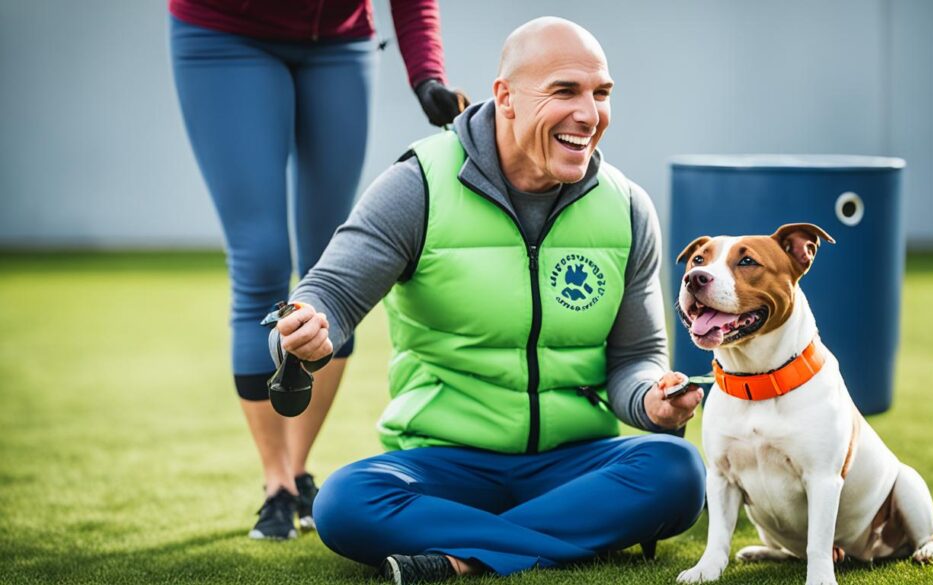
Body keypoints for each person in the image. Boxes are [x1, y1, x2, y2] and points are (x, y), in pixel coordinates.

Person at [272, 16, 706, 584]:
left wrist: (651, 400)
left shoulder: (626, 207)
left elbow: (636, 359)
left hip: (571, 464)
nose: (590, 114)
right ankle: (554, 537)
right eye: (565, 92)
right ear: (505, 97)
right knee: (345, 501)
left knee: (677, 471)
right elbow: (325, 294)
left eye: (601, 94)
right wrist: (301, 330)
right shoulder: (418, 184)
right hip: (444, 462)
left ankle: (462, 556)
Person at [169, 0, 466, 540]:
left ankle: (298, 467)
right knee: (260, 260)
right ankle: (276, 482)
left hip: (339, 41)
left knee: (333, 266)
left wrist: (427, 75)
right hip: (225, 34)